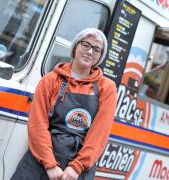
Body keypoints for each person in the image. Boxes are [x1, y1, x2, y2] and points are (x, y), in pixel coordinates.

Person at [11, 28, 117, 180]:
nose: (90, 51)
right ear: (75, 47)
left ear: (100, 56)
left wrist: (77, 167)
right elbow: (37, 124)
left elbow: (99, 133)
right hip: (42, 161)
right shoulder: (50, 80)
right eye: (85, 45)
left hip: (77, 171)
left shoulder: (107, 88)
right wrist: (50, 164)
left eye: (96, 49)